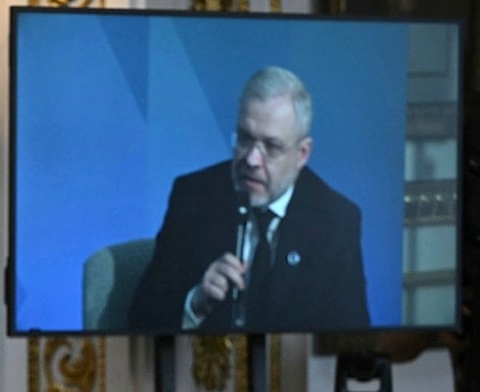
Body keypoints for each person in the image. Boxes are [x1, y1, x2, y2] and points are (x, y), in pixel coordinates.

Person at [127, 65, 370, 334]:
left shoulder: (335, 221)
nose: (252, 160)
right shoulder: (193, 197)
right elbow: (140, 318)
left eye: (272, 147)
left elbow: (351, 338)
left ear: (302, 154)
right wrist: (195, 302)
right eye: (244, 139)